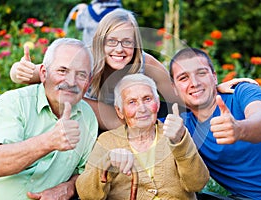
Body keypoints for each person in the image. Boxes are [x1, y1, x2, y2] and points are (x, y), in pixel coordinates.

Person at [10, 9, 255, 131]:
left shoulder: (144, 62)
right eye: (112, 41)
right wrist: (20, 71)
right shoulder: (85, 60)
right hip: (78, 130)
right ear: (101, 41)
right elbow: (33, 72)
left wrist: (214, 87)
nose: (120, 48)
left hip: (121, 131)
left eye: (127, 41)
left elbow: (174, 92)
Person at [0, 38, 98, 200]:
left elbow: (85, 171)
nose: (71, 82)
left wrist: (68, 188)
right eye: (62, 71)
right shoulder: (12, 103)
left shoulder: (87, 117)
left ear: (88, 82)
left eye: (81, 75)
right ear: (44, 74)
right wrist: (49, 141)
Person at [169, 47, 261, 199]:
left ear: (214, 77)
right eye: (183, 78)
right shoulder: (182, 126)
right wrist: (129, 51)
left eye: (201, 73)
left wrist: (239, 129)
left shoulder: (242, 92)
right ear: (174, 89)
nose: (194, 82)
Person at [75, 73, 210, 200]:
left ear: (157, 104)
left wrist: (181, 141)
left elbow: (197, 184)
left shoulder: (176, 133)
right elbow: (87, 195)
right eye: (132, 102)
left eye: (147, 99)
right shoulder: (107, 141)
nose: (142, 108)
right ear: (119, 111)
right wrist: (105, 164)